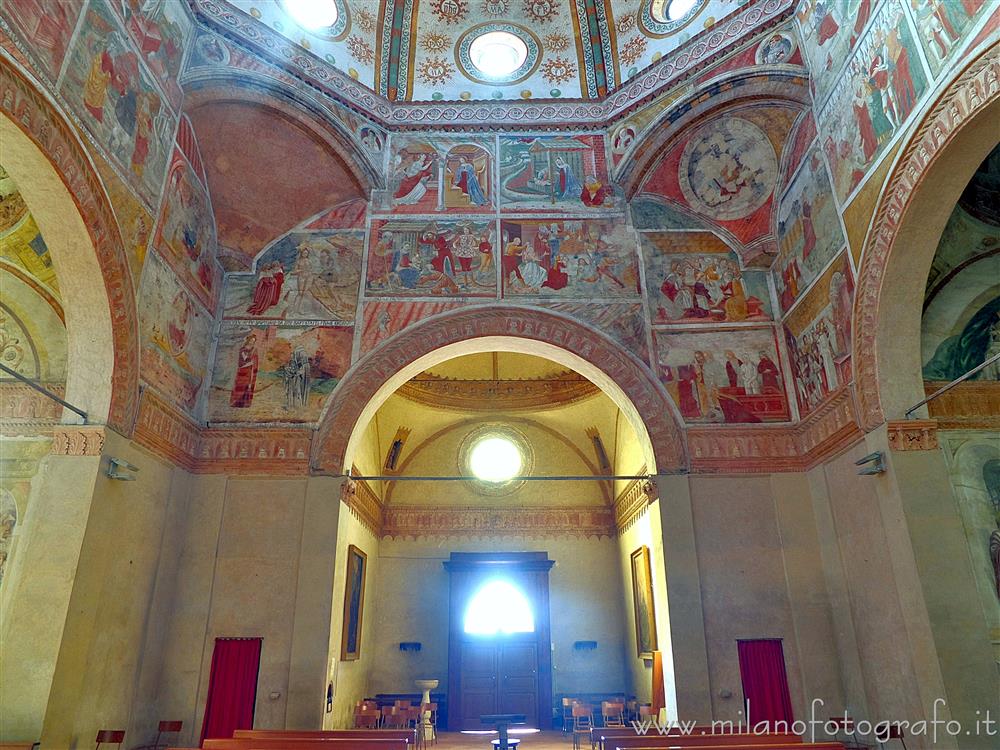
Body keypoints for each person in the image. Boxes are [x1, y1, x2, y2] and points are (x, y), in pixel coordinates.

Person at [229, 333, 259, 408]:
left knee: (247, 386)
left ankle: (244, 403)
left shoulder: (254, 350)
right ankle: (236, 403)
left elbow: (254, 361)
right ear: (248, 340)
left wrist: (252, 363)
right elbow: (242, 362)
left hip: (249, 372)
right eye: (251, 340)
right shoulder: (243, 349)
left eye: (254, 341)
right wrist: (250, 363)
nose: (252, 342)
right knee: (240, 386)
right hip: (242, 371)